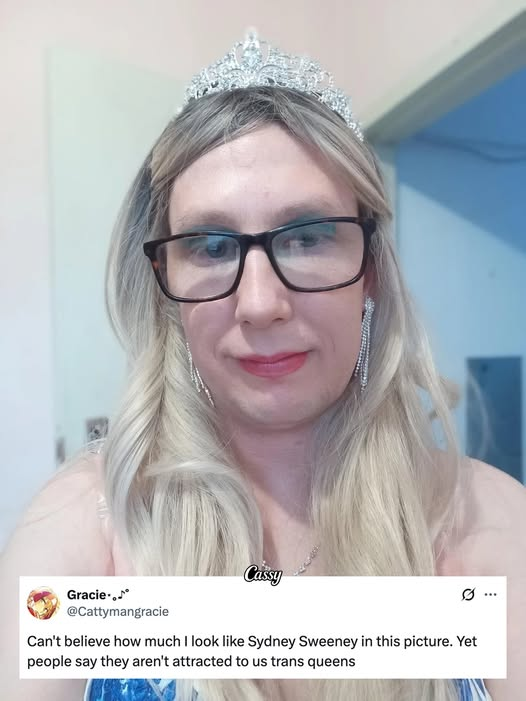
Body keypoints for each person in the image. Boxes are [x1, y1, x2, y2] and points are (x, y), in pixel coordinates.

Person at [1, 29, 525, 701]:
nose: (259, 304)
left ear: (370, 267)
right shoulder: (88, 525)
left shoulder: (485, 519)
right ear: (165, 279)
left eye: (306, 236)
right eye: (212, 246)